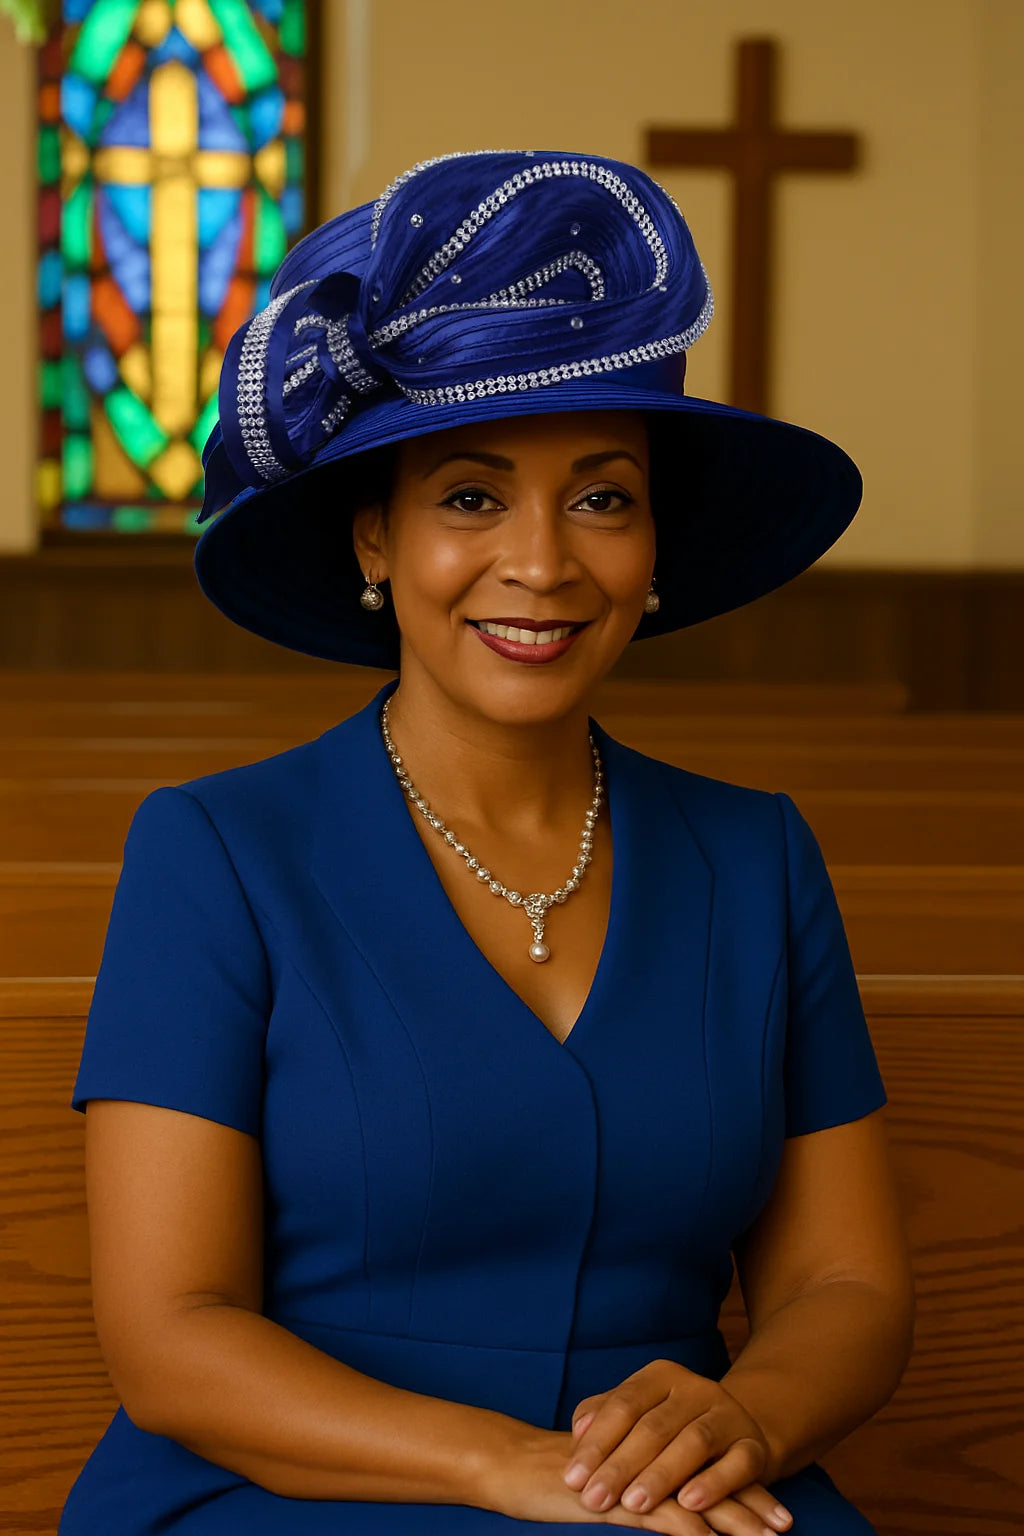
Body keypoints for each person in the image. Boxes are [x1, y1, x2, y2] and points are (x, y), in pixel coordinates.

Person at [61, 149, 915, 1536]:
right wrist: (492, 1466)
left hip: (675, 1487)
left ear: (652, 548)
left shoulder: (760, 860)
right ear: (376, 540)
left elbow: (848, 1288)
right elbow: (171, 1334)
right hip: (300, 1480)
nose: (544, 561)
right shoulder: (214, 853)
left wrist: (744, 1415)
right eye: (469, 497)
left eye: (602, 496)